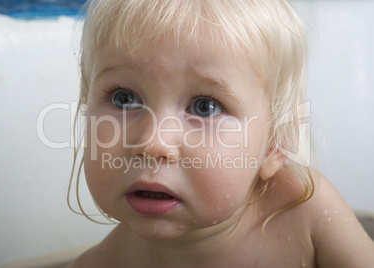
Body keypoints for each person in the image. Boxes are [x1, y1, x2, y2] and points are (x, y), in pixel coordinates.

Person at [68, 0, 374, 267]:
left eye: (204, 107)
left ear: (274, 144)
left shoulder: (306, 211)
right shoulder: (101, 263)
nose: (153, 142)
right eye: (124, 98)